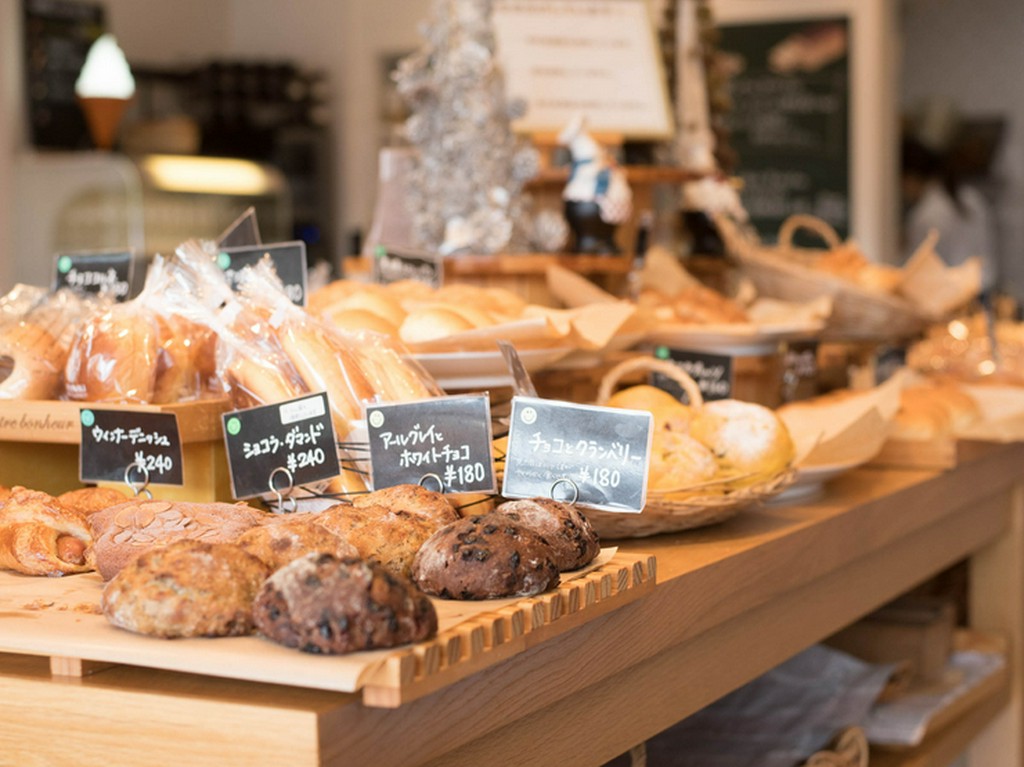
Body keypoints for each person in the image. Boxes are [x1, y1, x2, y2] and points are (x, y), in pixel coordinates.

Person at [901, 135, 997, 296]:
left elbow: (917, 272)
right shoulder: (972, 197)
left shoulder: (925, 215)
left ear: (910, 178)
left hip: (953, 296)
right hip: (985, 288)